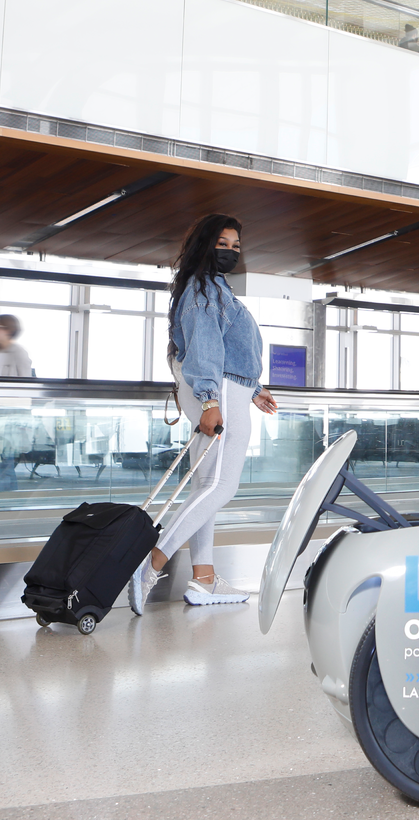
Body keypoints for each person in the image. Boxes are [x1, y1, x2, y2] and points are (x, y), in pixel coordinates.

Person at [128, 213, 278, 613]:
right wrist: (213, 401)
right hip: (219, 393)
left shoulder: (209, 288)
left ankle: (204, 578)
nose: (230, 252)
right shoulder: (204, 289)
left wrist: (254, 390)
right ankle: (151, 562)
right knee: (221, 486)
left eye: (236, 247)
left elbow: (223, 351)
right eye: (222, 244)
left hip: (227, 391)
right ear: (204, 245)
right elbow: (207, 350)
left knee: (205, 486)